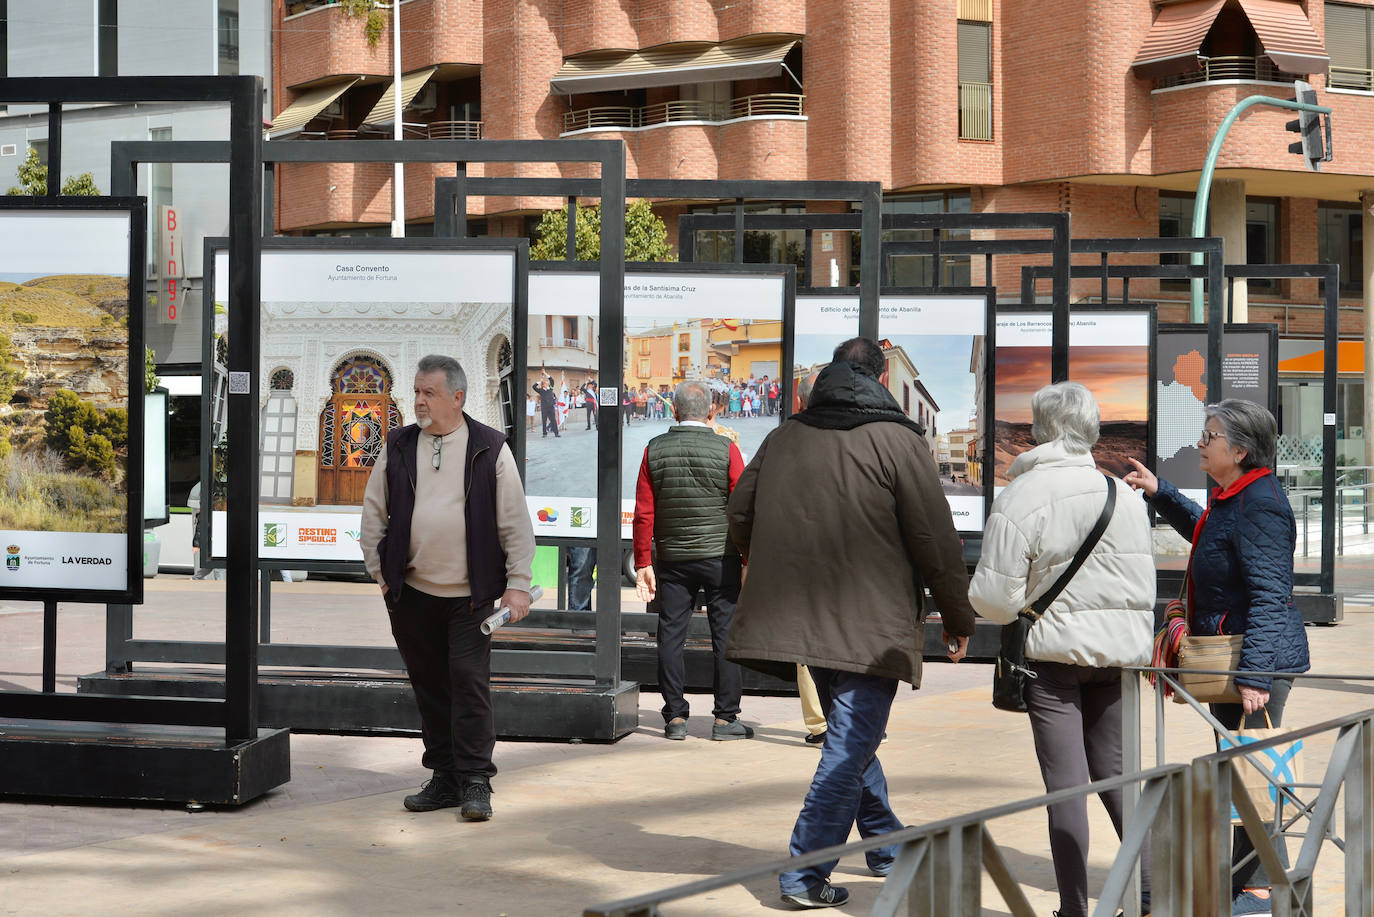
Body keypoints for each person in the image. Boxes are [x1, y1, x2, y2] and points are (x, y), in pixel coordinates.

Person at [725, 337, 975, 909]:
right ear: (881, 379)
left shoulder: (785, 435)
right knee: (848, 745)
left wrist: (760, 556)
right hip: (872, 623)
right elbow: (934, 540)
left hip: (803, 614)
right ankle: (804, 874)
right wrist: (958, 617)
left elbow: (740, 512)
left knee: (849, 737)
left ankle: (886, 846)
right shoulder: (900, 441)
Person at [969, 382, 1155, 917]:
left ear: (1038, 430)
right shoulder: (1121, 496)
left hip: (1050, 661)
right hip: (1116, 659)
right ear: (1093, 431)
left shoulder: (1021, 496)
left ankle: (1075, 909)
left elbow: (995, 601)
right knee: (1119, 777)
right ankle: (1150, 895)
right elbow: (1137, 586)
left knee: (1065, 787)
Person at [1124, 399, 1310, 916]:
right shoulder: (1237, 498)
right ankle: (1254, 882)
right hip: (1239, 661)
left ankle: (1256, 889)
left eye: (1209, 437)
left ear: (1241, 450)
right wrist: (1161, 493)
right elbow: (1208, 533)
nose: (1201, 444)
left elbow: (1272, 595)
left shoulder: (1262, 505)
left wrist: (1255, 676)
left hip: (1252, 664)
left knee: (1253, 774)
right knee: (1246, 772)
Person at [361, 355, 536, 821]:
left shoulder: (490, 447)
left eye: (429, 393)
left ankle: (476, 780)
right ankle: (444, 778)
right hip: (411, 596)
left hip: (470, 599)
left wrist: (517, 586)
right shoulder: (397, 445)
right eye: (416, 391)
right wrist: (383, 580)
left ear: (457, 398)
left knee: (469, 686)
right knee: (430, 688)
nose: (418, 401)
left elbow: (515, 524)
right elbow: (373, 517)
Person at [633, 380, 752, 742]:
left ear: (673, 410)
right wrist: (747, 558)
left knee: (670, 634)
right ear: (712, 411)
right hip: (721, 558)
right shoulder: (727, 448)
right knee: (725, 636)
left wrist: (643, 562)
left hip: (673, 557)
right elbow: (742, 508)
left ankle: (675, 718)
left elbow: (644, 512)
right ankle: (725, 719)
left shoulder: (654, 449)